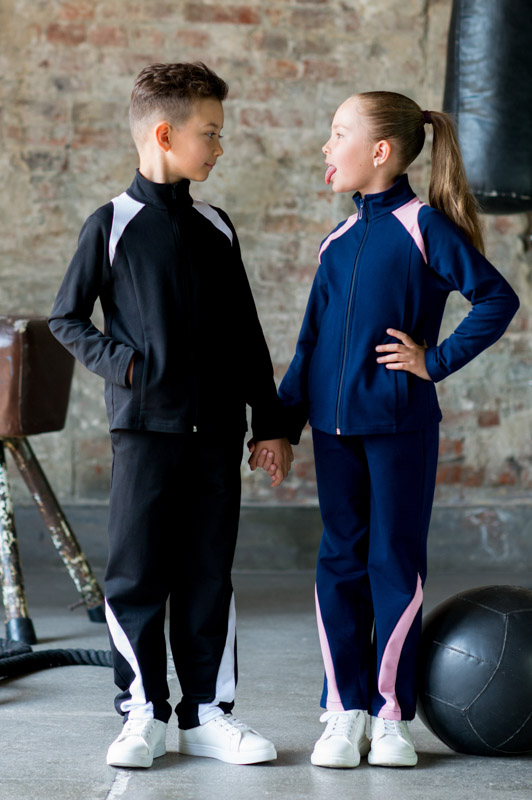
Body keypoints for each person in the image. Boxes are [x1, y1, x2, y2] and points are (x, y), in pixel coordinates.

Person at [48, 62, 293, 770]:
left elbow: (247, 336)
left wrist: (271, 424)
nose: (219, 146)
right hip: (144, 433)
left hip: (215, 434)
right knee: (137, 574)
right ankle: (143, 713)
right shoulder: (111, 225)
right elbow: (67, 318)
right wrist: (126, 365)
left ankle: (208, 713)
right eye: (209, 133)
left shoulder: (217, 227)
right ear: (164, 134)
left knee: (209, 573)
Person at [277, 91, 519, 768]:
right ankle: (343, 708)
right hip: (332, 433)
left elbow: (496, 298)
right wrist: (280, 425)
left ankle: (390, 715)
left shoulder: (425, 226)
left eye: (338, 134)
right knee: (340, 563)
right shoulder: (336, 242)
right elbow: (309, 344)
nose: (326, 147)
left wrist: (433, 362)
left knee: (393, 563)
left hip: (399, 427)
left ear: (380, 151)